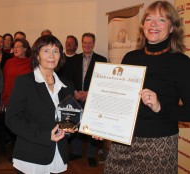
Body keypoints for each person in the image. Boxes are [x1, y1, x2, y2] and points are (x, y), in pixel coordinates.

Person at [103, 1, 190, 173]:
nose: (154, 24)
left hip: (158, 144)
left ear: (172, 27)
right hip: (123, 141)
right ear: (143, 25)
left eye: (162, 20)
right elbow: (119, 101)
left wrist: (160, 107)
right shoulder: (130, 58)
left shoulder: (181, 63)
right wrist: (103, 125)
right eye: (149, 19)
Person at [5, 35, 76, 174]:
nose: (51, 55)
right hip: (32, 155)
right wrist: (45, 136)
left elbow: (69, 119)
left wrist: (70, 128)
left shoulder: (68, 86)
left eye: (56, 51)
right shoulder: (24, 82)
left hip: (58, 154)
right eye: (46, 50)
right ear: (37, 55)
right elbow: (12, 119)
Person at [63, 32, 107, 167]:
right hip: (76, 97)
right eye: (85, 42)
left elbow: (103, 81)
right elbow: (68, 79)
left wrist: (90, 93)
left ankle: (90, 155)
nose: (87, 45)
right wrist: (74, 92)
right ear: (81, 44)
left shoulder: (102, 60)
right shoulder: (73, 59)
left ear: (93, 44)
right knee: (75, 124)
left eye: (90, 42)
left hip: (92, 98)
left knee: (91, 127)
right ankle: (76, 152)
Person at [0, 38, 32, 155]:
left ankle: (23, 152)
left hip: (25, 101)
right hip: (10, 99)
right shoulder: (9, 62)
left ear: (25, 49)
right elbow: (3, 81)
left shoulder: (30, 63)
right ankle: (15, 152)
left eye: (19, 46)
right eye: (15, 46)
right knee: (12, 126)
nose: (15, 49)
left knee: (24, 127)